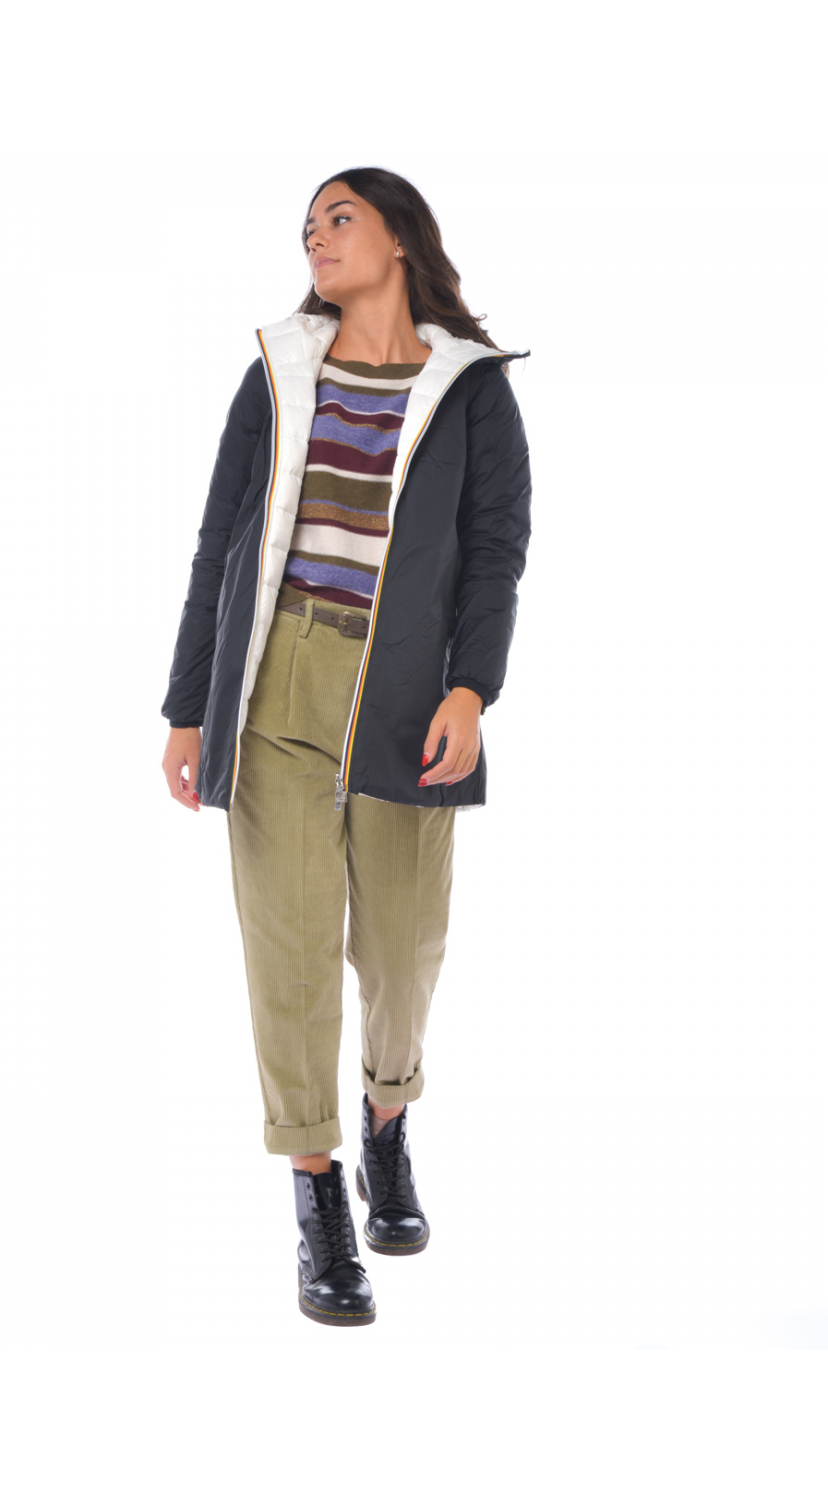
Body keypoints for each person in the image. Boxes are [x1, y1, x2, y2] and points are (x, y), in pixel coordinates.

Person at [161, 166, 532, 1327]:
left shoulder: (471, 392)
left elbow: (495, 550)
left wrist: (472, 687)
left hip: (407, 692)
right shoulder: (278, 375)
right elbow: (219, 541)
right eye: (307, 226)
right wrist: (187, 706)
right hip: (274, 682)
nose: (315, 238)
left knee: (403, 948)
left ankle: (386, 1119)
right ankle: (316, 1188)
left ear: (401, 239)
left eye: (340, 218)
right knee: (290, 951)